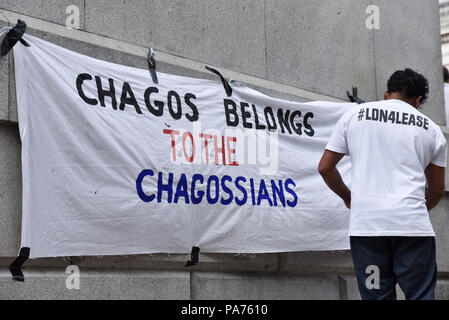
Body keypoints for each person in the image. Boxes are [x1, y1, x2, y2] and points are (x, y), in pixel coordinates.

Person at [318, 68, 447, 300]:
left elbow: (325, 168)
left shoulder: (354, 116)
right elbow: (437, 189)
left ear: (387, 93)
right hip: (413, 229)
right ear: (418, 100)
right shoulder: (432, 130)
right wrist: (411, 211)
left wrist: (349, 198)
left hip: (367, 228)